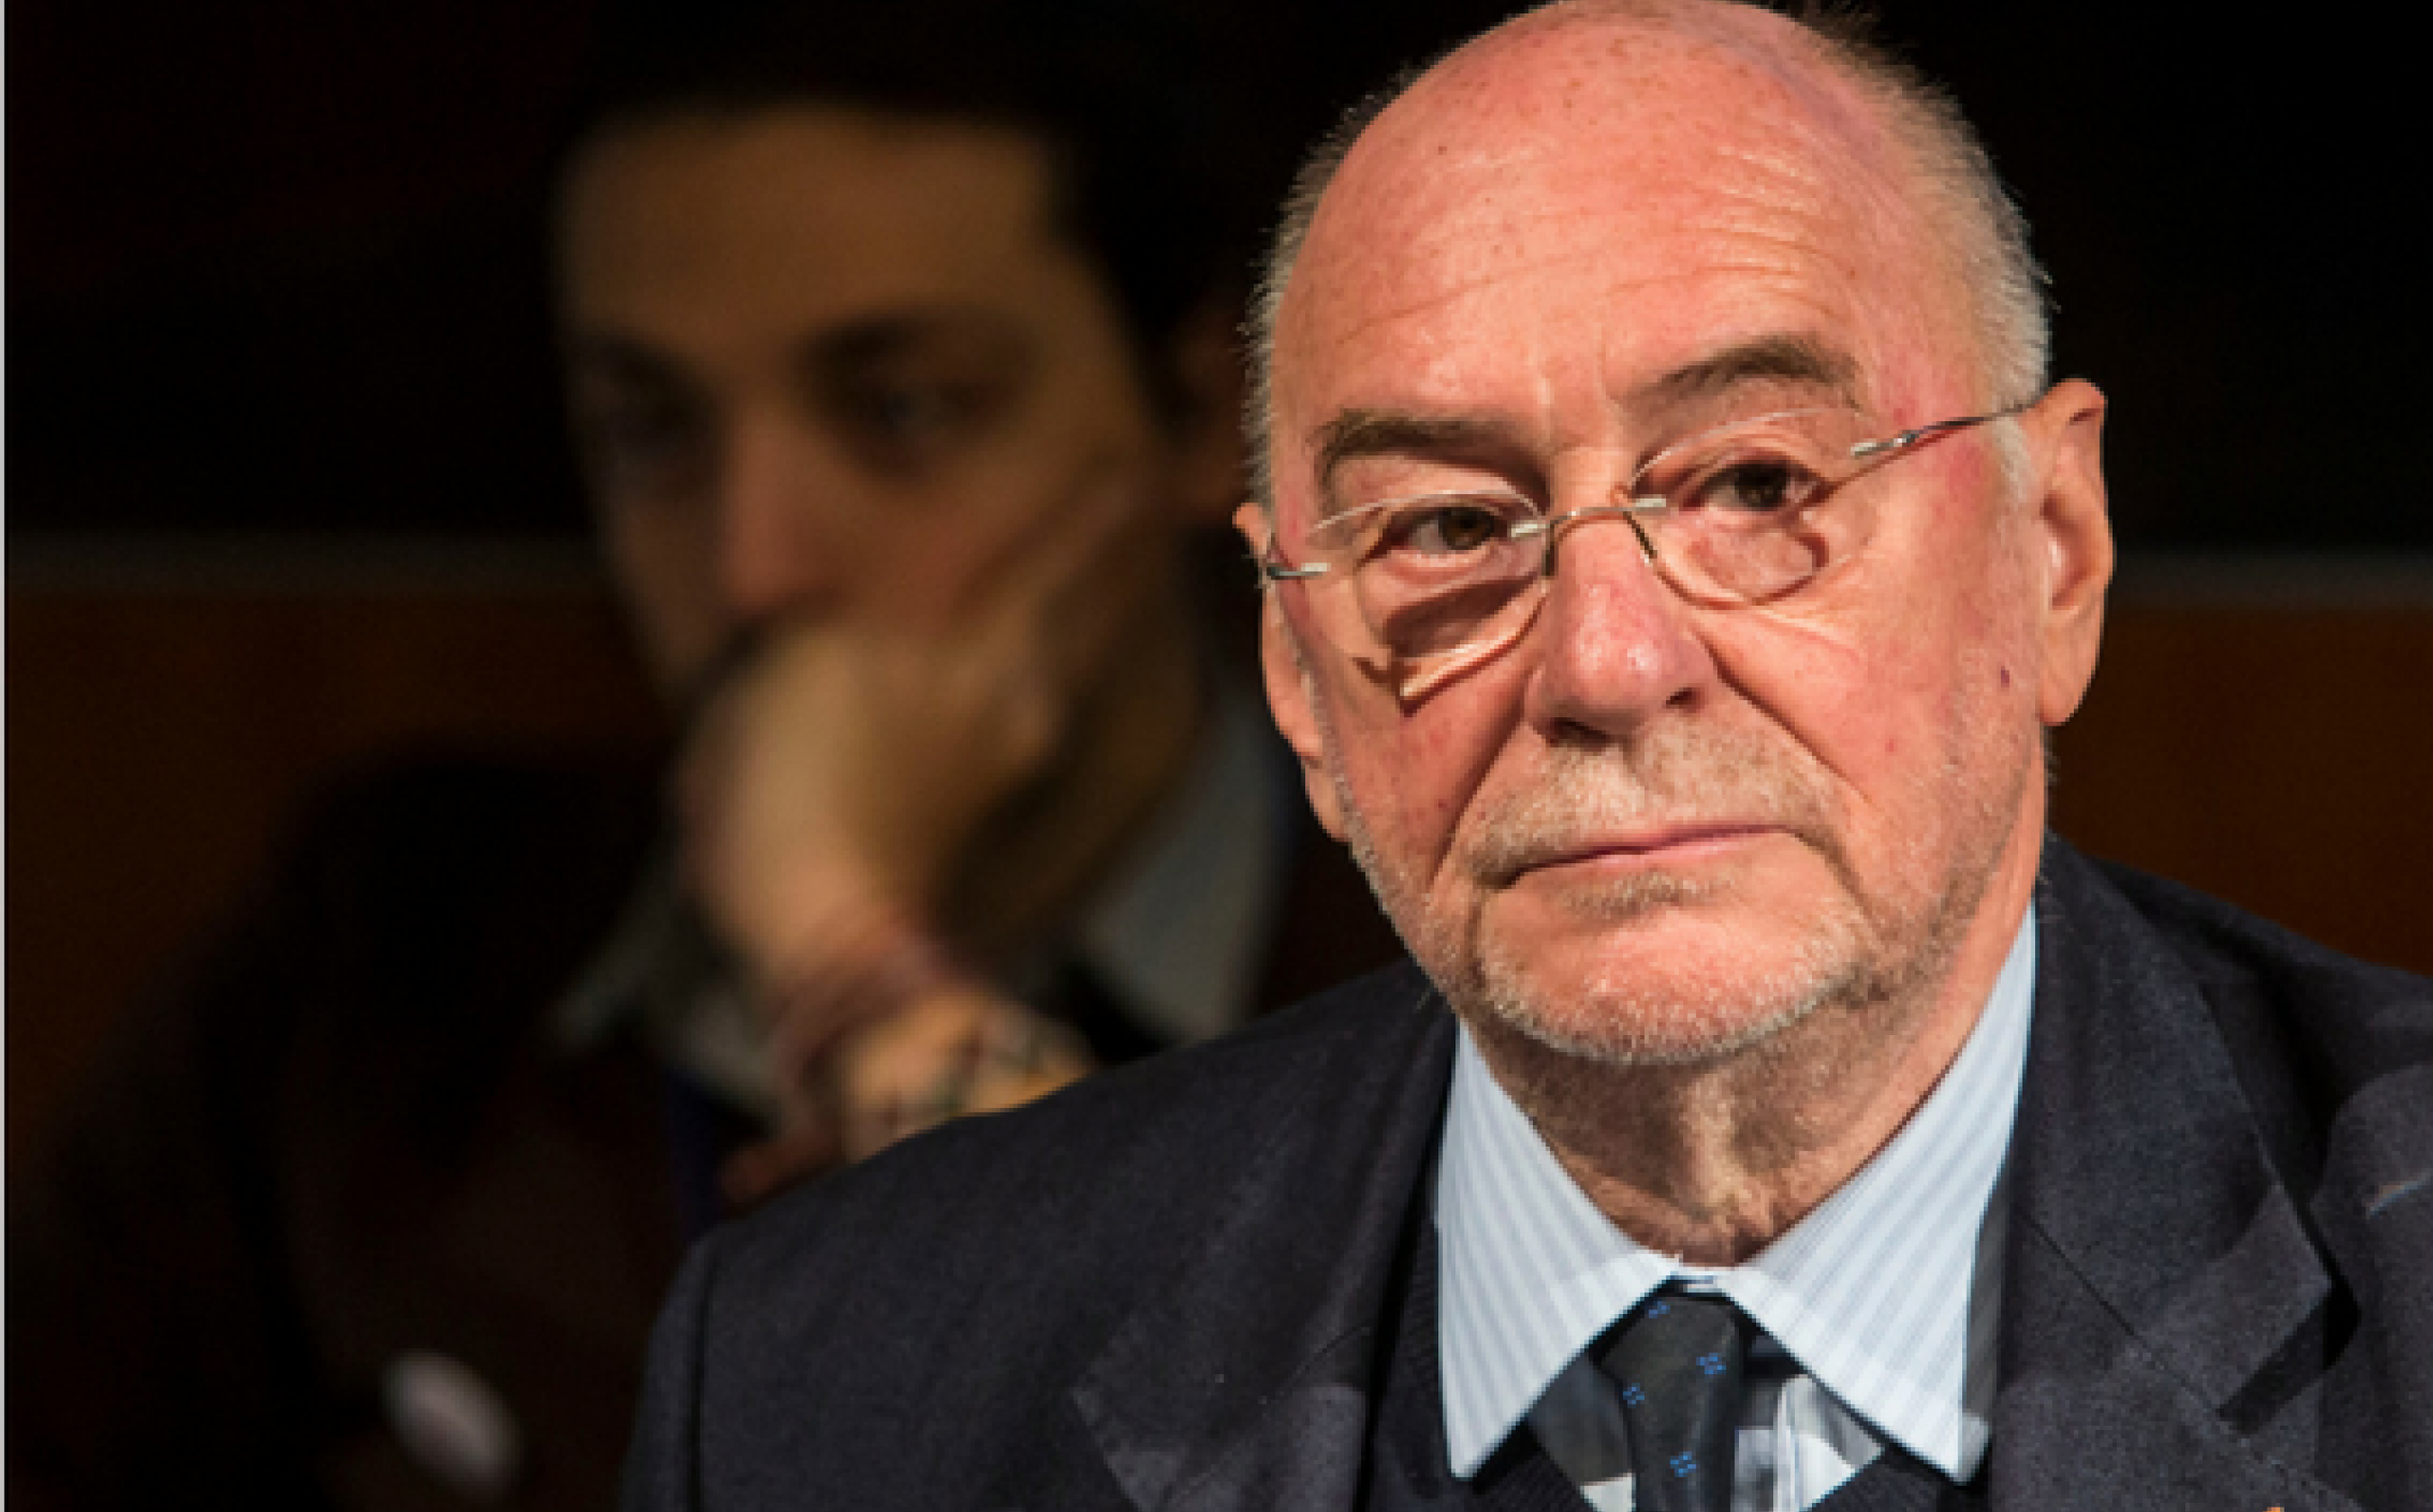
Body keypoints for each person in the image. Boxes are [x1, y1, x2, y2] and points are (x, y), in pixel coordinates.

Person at [620, 3, 2433, 1508]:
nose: (1605, 658)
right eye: (1446, 529)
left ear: (2052, 553)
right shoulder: (830, 1395)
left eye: (1759, 486)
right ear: (1299, 675)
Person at [6, 4, 1400, 1509]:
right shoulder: (389, 945)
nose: (751, 568)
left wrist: (850, 957)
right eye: (651, 429)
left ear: (1203, 412)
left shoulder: (1436, 965)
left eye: (902, 410)